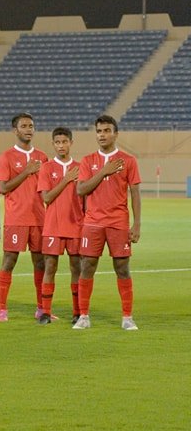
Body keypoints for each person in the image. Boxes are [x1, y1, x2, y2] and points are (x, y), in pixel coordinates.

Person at [73, 115, 141, 331]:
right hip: (93, 222)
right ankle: (84, 316)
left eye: (106, 130)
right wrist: (104, 171)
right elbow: (81, 189)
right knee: (87, 266)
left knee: (122, 267)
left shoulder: (128, 161)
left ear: (116, 133)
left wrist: (137, 224)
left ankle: (127, 317)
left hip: (118, 222)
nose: (102, 135)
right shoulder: (88, 160)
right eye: (99, 131)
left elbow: (135, 194)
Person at [0, 112, 48, 322]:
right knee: (9, 261)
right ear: (15, 130)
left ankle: (42, 307)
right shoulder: (7, 156)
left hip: (39, 219)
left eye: (31, 126)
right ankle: (2, 309)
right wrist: (26, 172)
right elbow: (4, 187)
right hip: (16, 219)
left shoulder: (43, 157)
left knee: (41, 263)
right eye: (24, 126)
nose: (29, 129)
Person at [36, 127, 83, 324]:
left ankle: (77, 312)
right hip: (53, 226)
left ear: (71, 142)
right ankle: (45, 312)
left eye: (64, 142)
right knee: (50, 267)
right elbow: (46, 197)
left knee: (76, 268)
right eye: (57, 142)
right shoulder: (46, 168)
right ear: (53, 144)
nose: (61, 146)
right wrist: (66, 180)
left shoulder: (81, 167)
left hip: (76, 225)